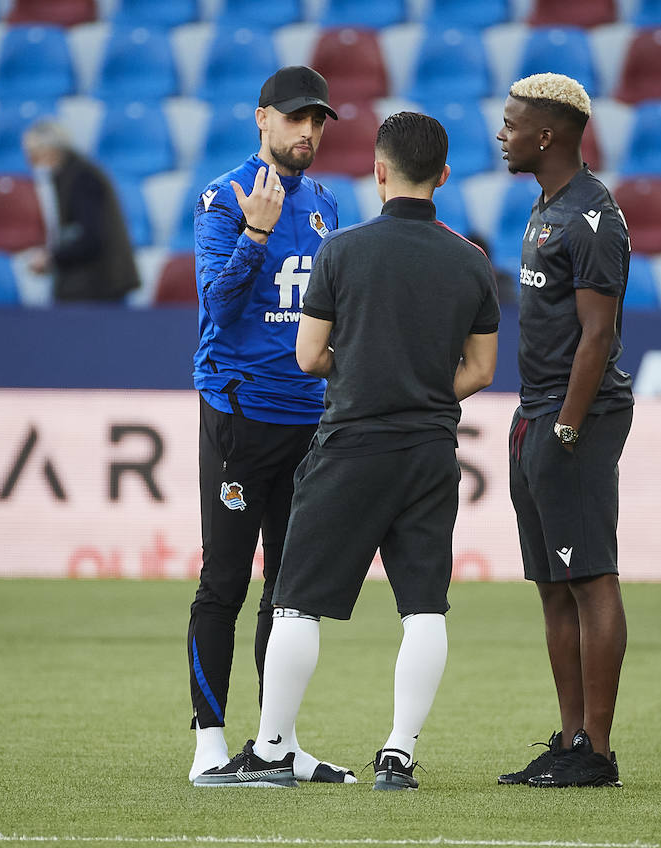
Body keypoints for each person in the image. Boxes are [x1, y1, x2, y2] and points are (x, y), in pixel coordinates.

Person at [195, 112, 500, 791]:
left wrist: (369, 378)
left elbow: (309, 356)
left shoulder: (343, 250)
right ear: (444, 176)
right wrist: (421, 388)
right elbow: (481, 369)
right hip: (429, 447)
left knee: (295, 600)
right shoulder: (472, 261)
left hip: (351, 444)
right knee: (424, 607)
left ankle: (272, 749)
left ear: (379, 171)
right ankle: (398, 753)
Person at [184, 66, 350, 785]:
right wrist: (255, 231)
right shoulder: (223, 198)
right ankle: (209, 746)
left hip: (309, 420)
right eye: (294, 117)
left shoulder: (326, 204)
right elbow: (218, 307)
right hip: (240, 415)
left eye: (317, 120)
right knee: (224, 583)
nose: (307, 131)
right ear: (262, 118)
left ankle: (276, 744)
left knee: (290, 594)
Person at [493, 73, 634, 789]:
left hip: (576, 416)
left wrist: (569, 429)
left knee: (590, 578)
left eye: (512, 123)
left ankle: (597, 753)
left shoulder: (592, 217)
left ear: (545, 135)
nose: (502, 133)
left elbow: (597, 335)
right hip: (536, 411)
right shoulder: (545, 206)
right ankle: (570, 738)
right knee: (553, 583)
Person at [22, 120, 140, 303]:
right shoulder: (72, 173)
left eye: (34, 153)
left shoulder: (82, 178)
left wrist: (51, 258)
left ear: (51, 150)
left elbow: (90, 236)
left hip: (98, 285)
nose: (30, 161)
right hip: (94, 281)